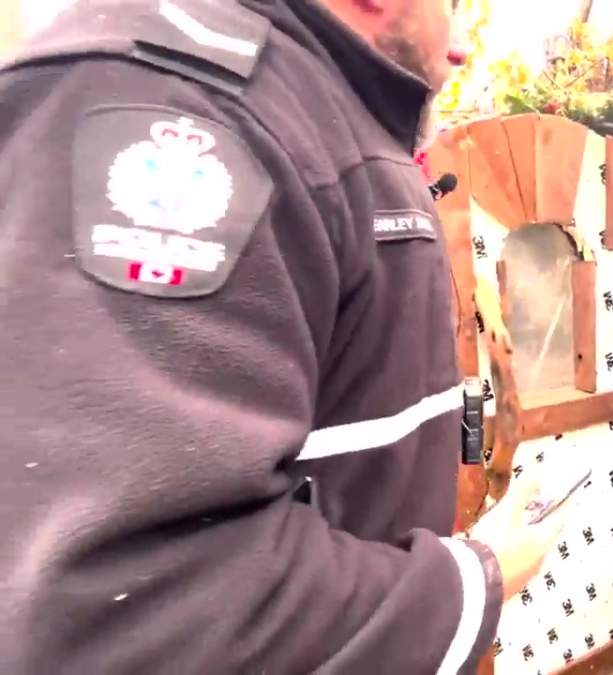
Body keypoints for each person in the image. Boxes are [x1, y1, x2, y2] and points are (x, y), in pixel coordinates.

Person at [0, 1, 569, 672]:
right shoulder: (182, 102)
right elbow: (132, 606)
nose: (465, 46)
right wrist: (473, 581)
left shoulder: (314, 107)